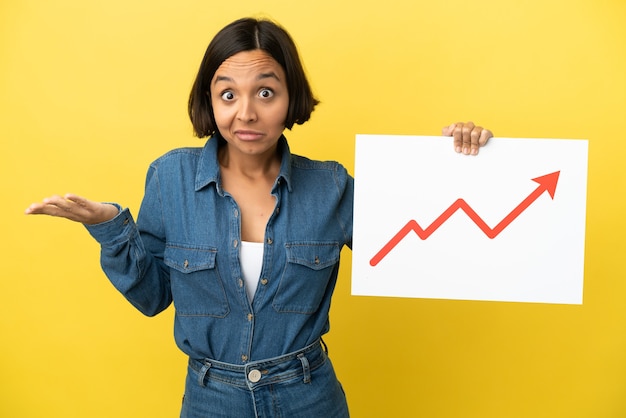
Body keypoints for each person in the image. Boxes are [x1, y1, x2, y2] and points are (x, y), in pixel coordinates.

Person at [25, 17, 493, 418]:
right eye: (228, 95)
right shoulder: (170, 178)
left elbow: (431, 246)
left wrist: (462, 163)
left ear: (291, 98)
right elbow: (152, 298)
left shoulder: (331, 186)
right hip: (211, 399)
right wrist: (110, 227)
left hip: (308, 395)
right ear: (209, 100)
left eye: (265, 92)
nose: (245, 113)